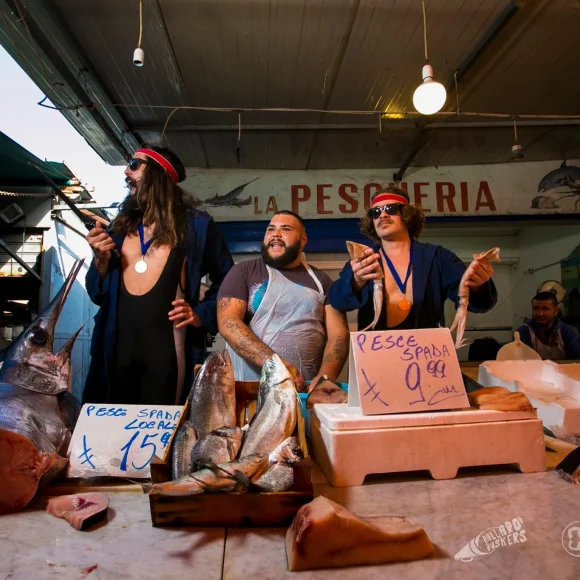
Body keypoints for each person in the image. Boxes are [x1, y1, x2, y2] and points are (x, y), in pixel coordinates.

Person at [82, 145, 233, 405]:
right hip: (114, 352)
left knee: (164, 435)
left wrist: (201, 314)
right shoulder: (119, 227)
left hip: (167, 354)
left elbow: (229, 282)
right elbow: (97, 294)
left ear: (158, 174)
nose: (126, 172)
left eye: (134, 164)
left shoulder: (196, 227)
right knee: (109, 434)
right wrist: (101, 260)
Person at [329, 187, 497, 331]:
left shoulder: (437, 257)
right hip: (377, 356)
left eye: (391, 209)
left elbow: (477, 302)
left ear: (407, 214)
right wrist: (356, 281)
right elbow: (337, 301)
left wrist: (478, 284)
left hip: (426, 355)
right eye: (376, 212)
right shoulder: (363, 261)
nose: (383, 215)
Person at [217, 210, 350, 390]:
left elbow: (339, 335)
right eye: (271, 229)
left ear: (303, 240)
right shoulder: (243, 272)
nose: (276, 235)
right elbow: (228, 322)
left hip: (304, 393)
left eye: (286, 229)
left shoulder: (323, 282)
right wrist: (275, 364)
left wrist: (326, 377)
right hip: (250, 392)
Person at [517, 292, 580, 360]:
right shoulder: (523, 332)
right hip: (533, 370)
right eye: (536, 308)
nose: (540, 313)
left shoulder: (568, 333)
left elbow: (576, 362)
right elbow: (521, 363)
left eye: (545, 309)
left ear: (556, 311)